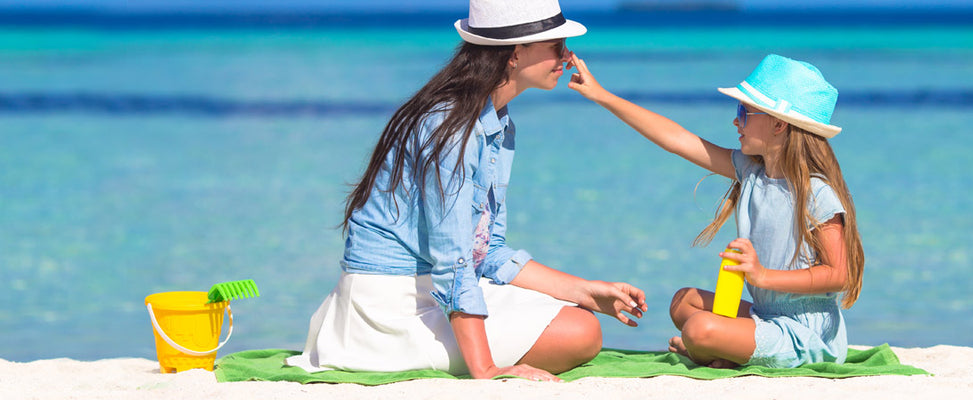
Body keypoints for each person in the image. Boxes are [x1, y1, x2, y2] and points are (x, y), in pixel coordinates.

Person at [285, 0, 647, 382]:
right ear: (514, 54)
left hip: (435, 293)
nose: (569, 56)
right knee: (579, 333)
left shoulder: (497, 123)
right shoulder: (452, 127)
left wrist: (588, 291)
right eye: (556, 46)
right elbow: (453, 260)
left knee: (581, 317)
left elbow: (486, 251)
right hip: (389, 307)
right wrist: (486, 369)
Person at [567, 53, 866, 368]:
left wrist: (762, 276)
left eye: (744, 111)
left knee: (698, 328)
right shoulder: (751, 172)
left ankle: (718, 350)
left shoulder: (816, 193)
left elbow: (838, 275)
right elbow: (677, 139)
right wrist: (601, 95)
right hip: (765, 316)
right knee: (684, 302)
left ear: (779, 124)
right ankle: (724, 350)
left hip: (805, 335)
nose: (736, 121)